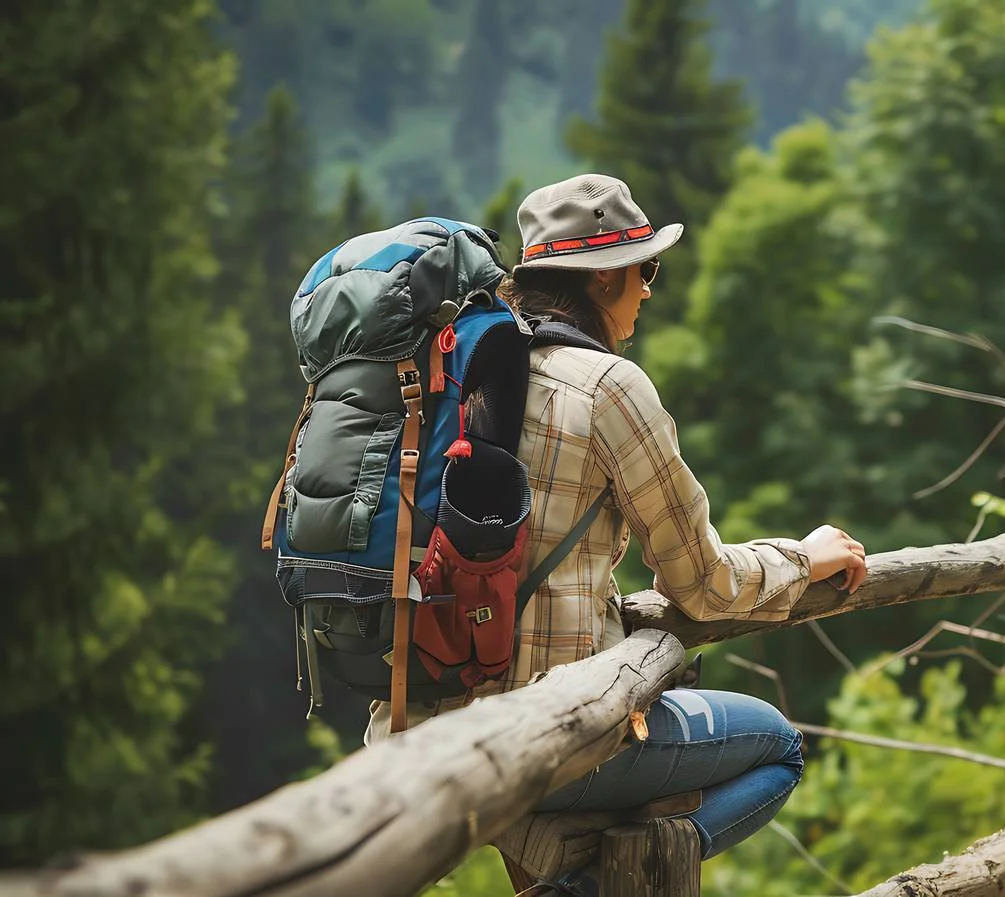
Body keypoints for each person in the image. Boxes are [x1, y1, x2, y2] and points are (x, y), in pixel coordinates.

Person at [363, 173, 868, 896]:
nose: (650, 287)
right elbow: (703, 583)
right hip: (542, 734)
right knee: (777, 745)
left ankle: (560, 862)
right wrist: (804, 557)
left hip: (414, 722)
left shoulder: (457, 367)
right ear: (601, 279)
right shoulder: (608, 386)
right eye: (645, 268)